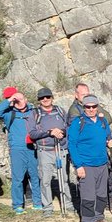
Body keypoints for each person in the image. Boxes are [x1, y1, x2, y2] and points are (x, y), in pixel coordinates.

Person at [66, 95, 112, 222]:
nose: (91, 109)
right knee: (88, 196)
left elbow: (108, 137)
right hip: (86, 165)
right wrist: (78, 166)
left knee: (101, 194)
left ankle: (99, 218)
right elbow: (72, 145)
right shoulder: (78, 122)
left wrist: (110, 142)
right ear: (84, 107)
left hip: (102, 163)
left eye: (94, 106)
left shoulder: (102, 121)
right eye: (88, 107)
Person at [0, 87, 42, 214]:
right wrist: (10, 100)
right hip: (17, 150)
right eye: (16, 100)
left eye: (21, 98)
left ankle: (37, 202)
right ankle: (18, 205)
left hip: (32, 148)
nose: (19, 101)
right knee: (18, 178)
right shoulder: (9, 113)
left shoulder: (34, 111)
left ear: (26, 99)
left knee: (35, 176)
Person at [26, 87, 72, 215]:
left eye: (47, 97)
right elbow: (32, 134)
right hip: (44, 151)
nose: (45, 99)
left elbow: (69, 128)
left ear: (52, 98)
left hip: (61, 149)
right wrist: (49, 132)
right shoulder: (34, 114)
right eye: (42, 98)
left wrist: (61, 132)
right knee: (45, 180)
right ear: (39, 100)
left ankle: (68, 204)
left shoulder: (60, 111)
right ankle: (47, 207)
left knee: (64, 178)